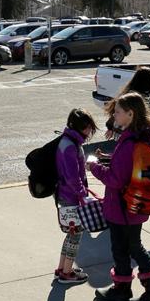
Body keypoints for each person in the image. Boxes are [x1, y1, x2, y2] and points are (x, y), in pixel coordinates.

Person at [88, 92, 150, 301]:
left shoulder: (128, 141)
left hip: (122, 208)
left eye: (118, 112)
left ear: (130, 114)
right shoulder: (141, 137)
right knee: (129, 247)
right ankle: (128, 289)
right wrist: (108, 159)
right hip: (134, 206)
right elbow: (127, 166)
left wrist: (94, 167)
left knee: (127, 249)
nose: (115, 115)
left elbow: (115, 180)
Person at [54, 108, 99, 285]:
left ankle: (62, 268)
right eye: (88, 128)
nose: (90, 131)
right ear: (81, 127)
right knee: (75, 235)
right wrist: (83, 195)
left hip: (66, 195)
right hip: (71, 197)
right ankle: (67, 273)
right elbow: (73, 177)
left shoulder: (68, 141)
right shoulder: (70, 146)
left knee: (71, 234)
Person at [103, 65, 150, 139]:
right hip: (142, 138)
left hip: (127, 136)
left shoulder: (127, 96)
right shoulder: (147, 100)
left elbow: (117, 113)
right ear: (149, 82)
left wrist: (110, 127)